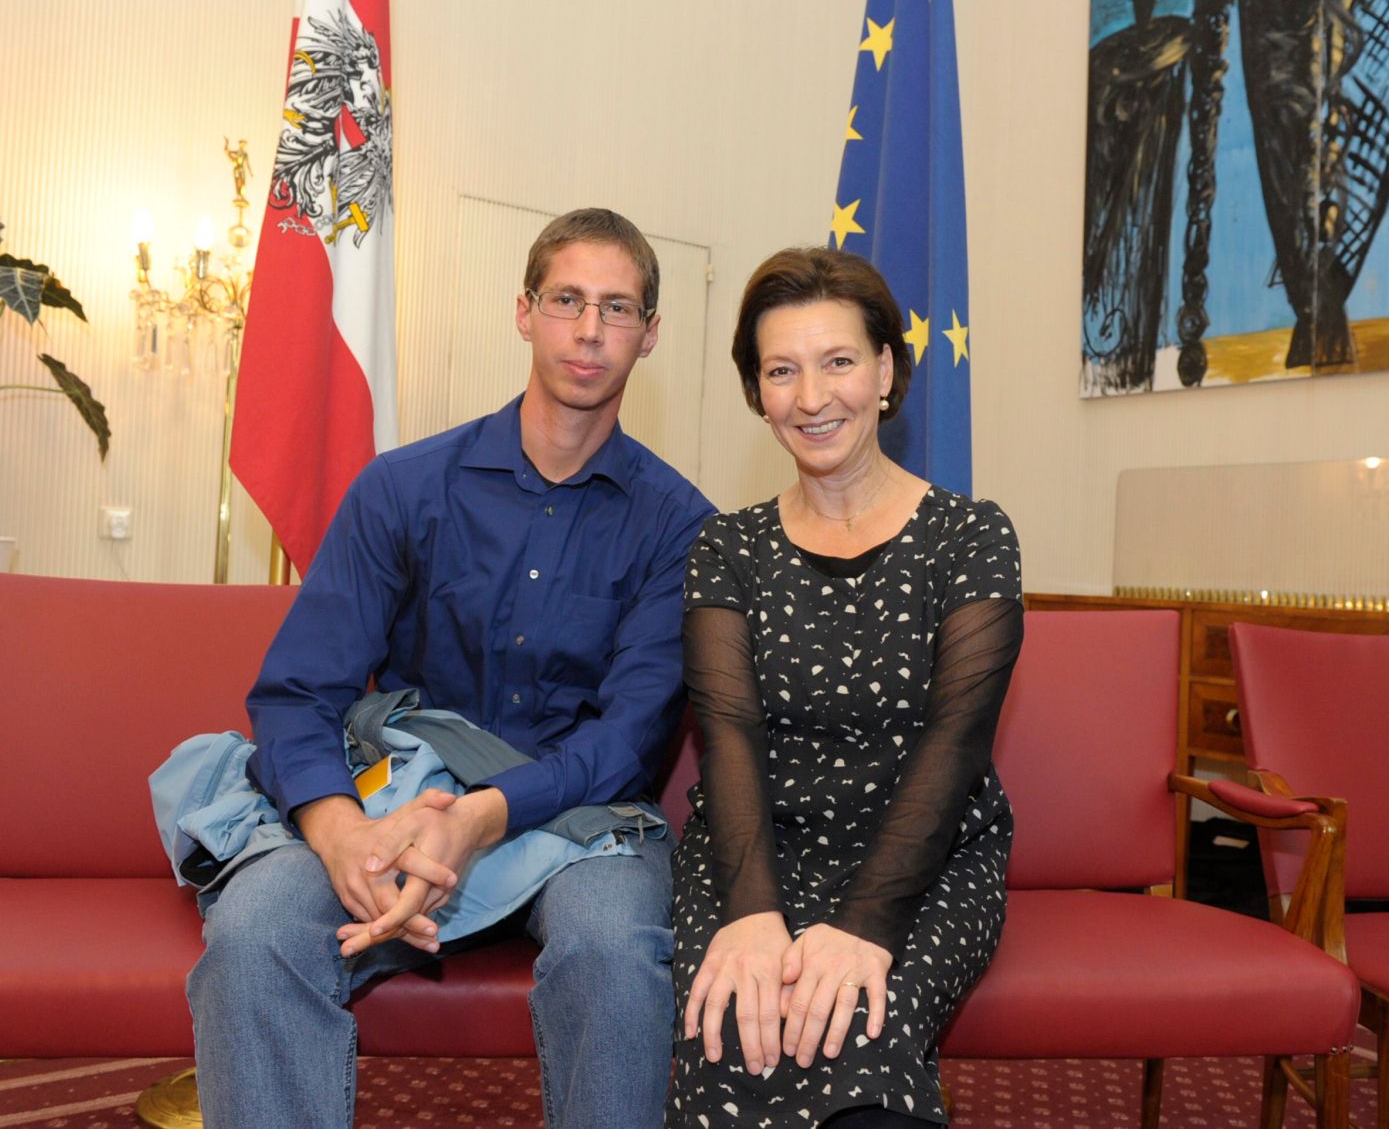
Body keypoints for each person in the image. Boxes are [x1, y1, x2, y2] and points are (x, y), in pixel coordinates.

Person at [187, 208, 714, 1129]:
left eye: (618, 308)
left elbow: (630, 740)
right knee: (257, 928)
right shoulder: (403, 489)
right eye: (567, 300)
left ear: (650, 335)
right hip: (394, 806)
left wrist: (483, 817)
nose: (589, 330)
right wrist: (340, 827)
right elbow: (298, 690)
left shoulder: (681, 527)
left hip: (577, 826)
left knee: (617, 950)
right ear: (524, 311)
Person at [670, 247, 1023, 1127]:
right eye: (781, 370)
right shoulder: (727, 548)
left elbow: (957, 743)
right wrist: (753, 916)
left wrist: (865, 921)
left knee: (856, 1031)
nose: (813, 396)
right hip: (755, 853)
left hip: (924, 856)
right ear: (757, 391)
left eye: (838, 362)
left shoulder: (973, 537)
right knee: (731, 1030)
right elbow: (729, 734)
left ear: (886, 370)